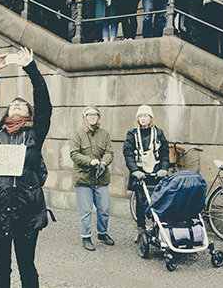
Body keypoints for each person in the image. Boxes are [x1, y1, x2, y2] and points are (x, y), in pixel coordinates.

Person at [0, 47, 52, 288]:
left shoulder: (34, 133)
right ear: (7, 113)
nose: (17, 106)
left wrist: (31, 69)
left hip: (26, 209)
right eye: (13, 105)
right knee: (1, 268)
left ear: (29, 114)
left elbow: (44, 104)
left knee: (26, 266)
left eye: (22, 105)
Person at [70, 106, 115, 251]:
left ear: (98, 117)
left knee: (103, 209)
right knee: (86, 211)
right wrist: (90, 161)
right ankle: (86, 237)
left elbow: (109, 152)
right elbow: (74, 154)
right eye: (89, 115)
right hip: (83, 180)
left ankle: (102, 233)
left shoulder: (104, 134)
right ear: (85, 117)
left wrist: (104, 162)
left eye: (95, 115)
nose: (92, 117)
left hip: (101, 179)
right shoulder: (77, 133)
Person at [122, 105, 170, 238]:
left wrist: (164, 169)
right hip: (140, 172)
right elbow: (128, 153)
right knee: (141, 200)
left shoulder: (159, 133)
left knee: (159, 199)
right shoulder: (132, 133)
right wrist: (134, 170)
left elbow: (165, 153)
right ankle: (141, 229)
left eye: (146, 116)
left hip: (155, 172)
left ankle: (159, 226)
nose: (143, 119)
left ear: (150, 118)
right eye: (140, 116)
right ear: (138, 118)